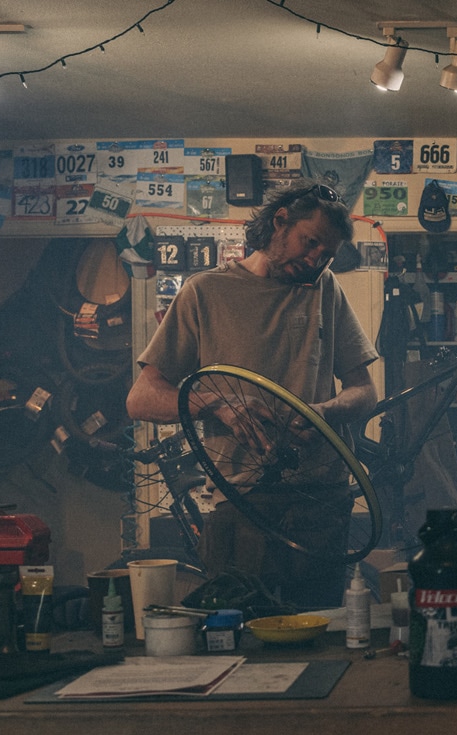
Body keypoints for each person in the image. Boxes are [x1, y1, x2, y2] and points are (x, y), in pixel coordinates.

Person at [127, 180, 379, 605]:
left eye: (327, 254)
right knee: (236, 634)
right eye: (310, 242)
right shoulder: (204, 292)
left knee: (326, 635)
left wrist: (323, 413)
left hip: (321, 501)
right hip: (241, 503)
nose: (317, 260)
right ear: (280, 223)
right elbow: (141, 398)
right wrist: (215, 403)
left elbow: (364, 392)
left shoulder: (326, 289)